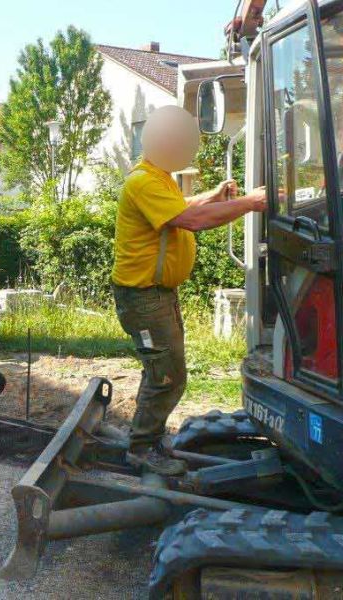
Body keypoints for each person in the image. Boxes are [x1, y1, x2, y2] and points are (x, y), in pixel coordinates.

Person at [112, 106, 267, 476]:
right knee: (165, 374)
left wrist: (214, 196)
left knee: (164, 371)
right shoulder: (143, 181)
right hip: (143, 297)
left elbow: (181, 207)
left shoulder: (159, 176)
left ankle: (148, 437)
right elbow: (190, 220)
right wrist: (252, 203)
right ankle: (141, 448)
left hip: (158, 295)